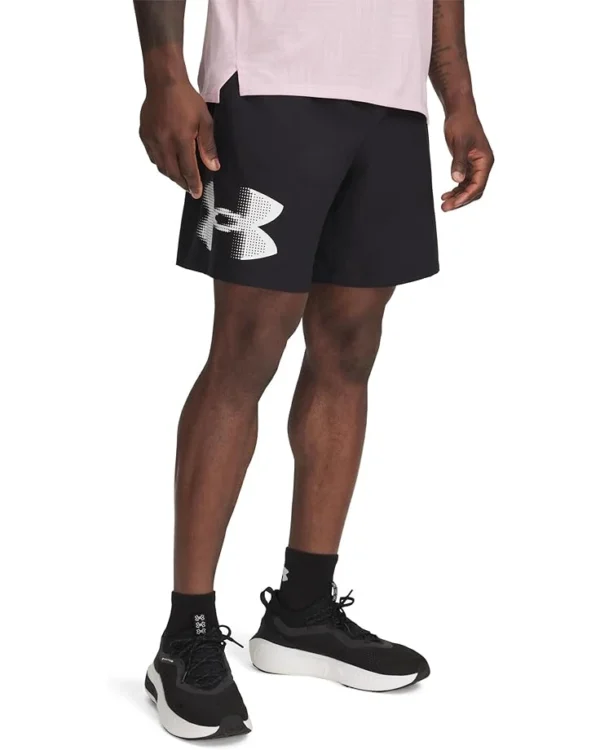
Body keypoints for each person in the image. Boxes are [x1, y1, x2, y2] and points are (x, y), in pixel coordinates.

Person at [134, 0, 494, 739]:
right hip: (269, 84)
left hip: (392, 103)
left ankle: (302, 611)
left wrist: (458, 98)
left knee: (350, 347)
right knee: (246, 351)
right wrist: (164, 73)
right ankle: (184, 634)